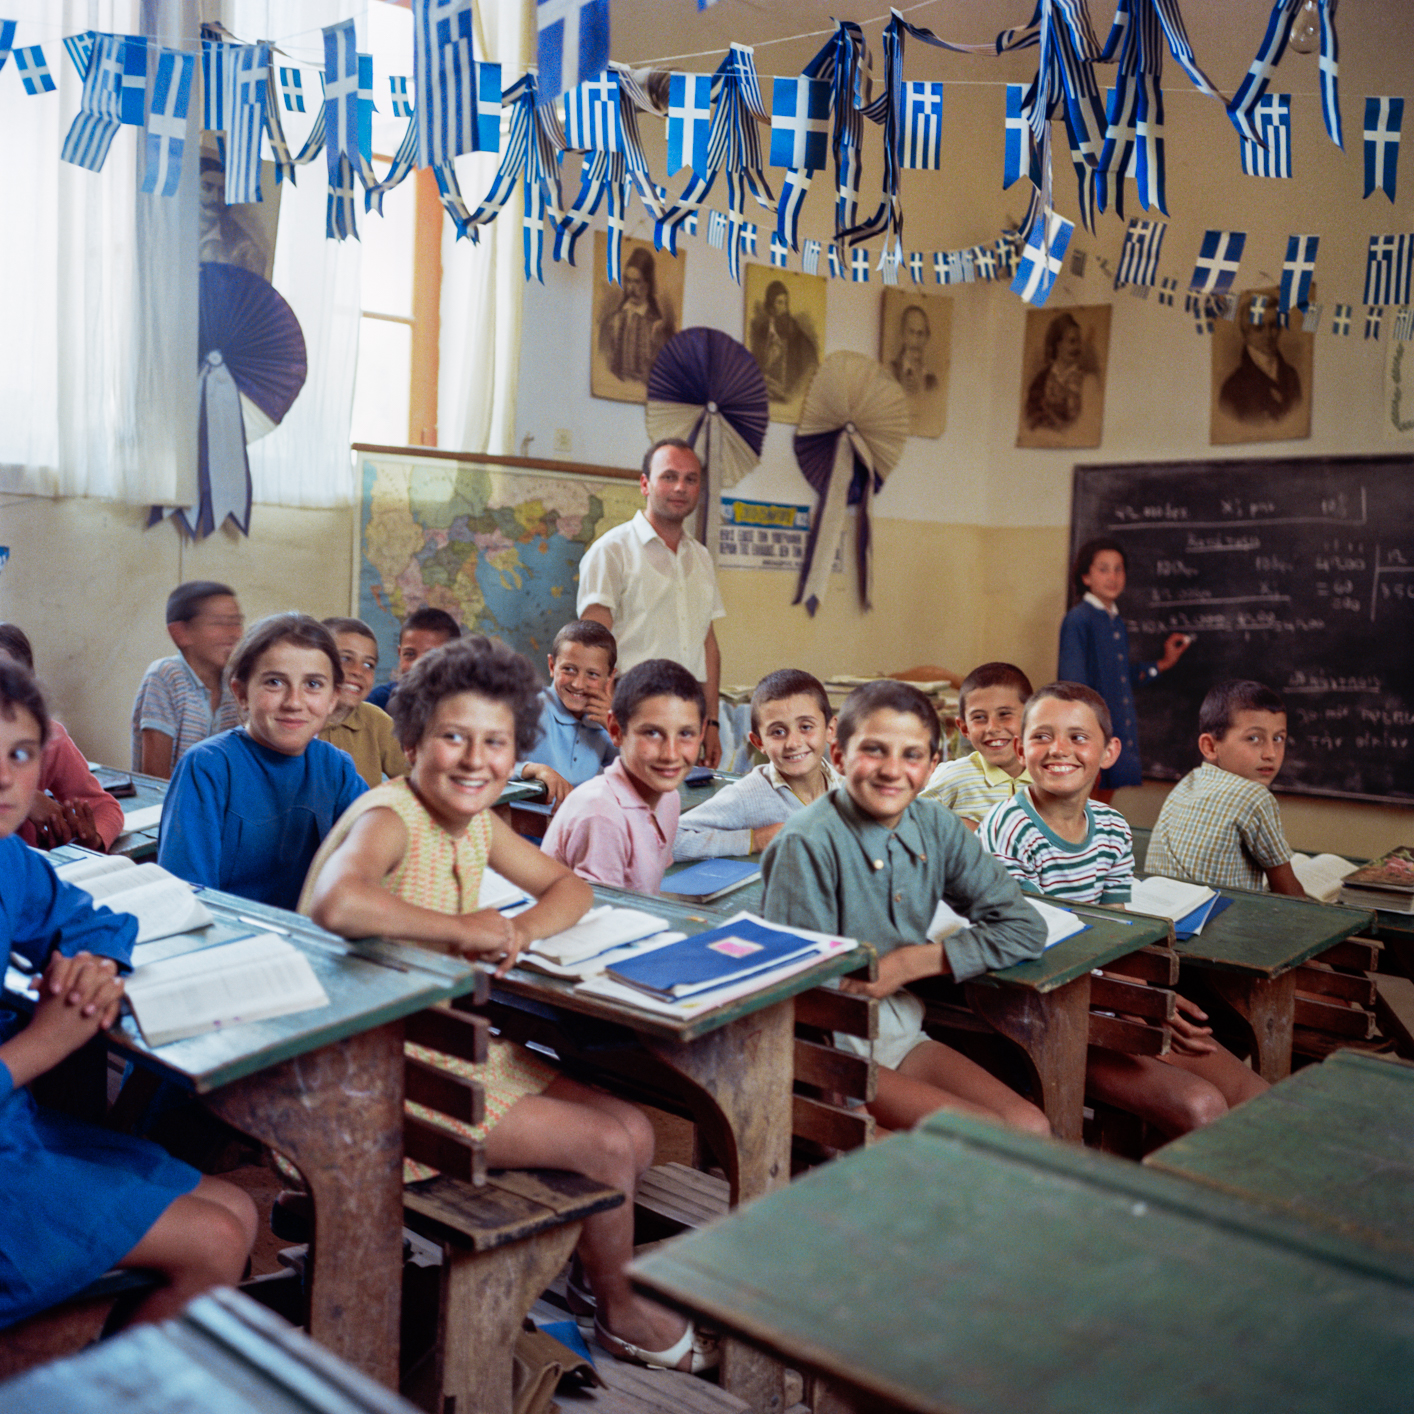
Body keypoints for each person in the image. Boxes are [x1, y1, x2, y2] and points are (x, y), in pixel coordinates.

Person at [299, 637, 714, 1373]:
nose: (473, 760)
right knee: (609, 1145)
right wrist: (463, 930)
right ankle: (621, 1315)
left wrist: (518, 929)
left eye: (495, 743)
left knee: (636, 1130)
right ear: (413, 739)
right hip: (378, 1079)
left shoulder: (476, 824)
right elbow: (336, 899)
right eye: (452, 737)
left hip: (448, 1050)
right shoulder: (390, 816)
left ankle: (591, 1278)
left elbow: (571, 888)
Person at [0, 654, 256, 1331]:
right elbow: (46, 1038)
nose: (5, 777)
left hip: (13, 1128)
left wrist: (93, 963)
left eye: (21, 753)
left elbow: (95, 919)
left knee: (238, 1208)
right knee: (219, 1239)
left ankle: (101, 1366)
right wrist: (46, 1040)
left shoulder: (8, 859)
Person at [978, 682, 1268, 1136]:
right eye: (1041, 736)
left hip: (1109, 1001)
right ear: (1020, 749)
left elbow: (1119, 934)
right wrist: (1134, 1003)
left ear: (1108, 752)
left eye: (1078, 737)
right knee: (1202, 1105)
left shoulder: (1111, 826)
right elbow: (1035, 954)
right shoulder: (1008, 828)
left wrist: (1147, 1002)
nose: (1059, 750)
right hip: (1041, 1020)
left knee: (1255, 1097)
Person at [761, 680, 1051, 1135]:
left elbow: (1024, 928)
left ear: (933, 764)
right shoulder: (807, 843)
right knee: (988, 1139)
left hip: (898, 1031)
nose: (892, 771)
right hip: (825, 1052)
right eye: (873, 750)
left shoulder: (935, 824)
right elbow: (794, 999)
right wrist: (847, 1117)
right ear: (837, 756)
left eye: (912, 755)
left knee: (1030, 1127)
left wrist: (912, 962)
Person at [158, 613, 365, 910]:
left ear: (333, 698)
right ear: (241, 693)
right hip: (226, 939)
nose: (294, 702)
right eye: (275, 682)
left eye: (313, 685)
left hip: (313, 938)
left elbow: (375, 864)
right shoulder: (208, 767)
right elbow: (186, 893)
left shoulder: (337, 770)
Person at [577, 439, 725, 767]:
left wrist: (711, 723)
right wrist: (612, 716)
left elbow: (708, 645)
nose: (680, 488)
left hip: (684, 723)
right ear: (645, 484)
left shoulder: (700, 557)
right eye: (669, 477)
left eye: (690, 479)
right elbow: (590, 647)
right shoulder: (611, 551)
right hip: (625, 721)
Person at [542, 659, 703, 894]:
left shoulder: (669, 797)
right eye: (653, 733)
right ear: (616, 731)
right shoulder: (601, 813)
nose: (671, 754)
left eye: (686, 733)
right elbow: (602, 918)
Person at [1057, 538, 1190, 802]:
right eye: (1103, 569)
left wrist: (1162, 664)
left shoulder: (1115, 621)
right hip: (1093, 733)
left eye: (1118, 569)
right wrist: (1085, 737)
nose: (1113, 577)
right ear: (1086, 576)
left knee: (1102, 805)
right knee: (1084, 806)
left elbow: (1119, 679)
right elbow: (1073, 687)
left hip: (1114, 730)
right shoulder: (1079, 619)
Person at [1145, 680, 1304, 896]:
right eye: (1254, 738)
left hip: (1163, 916)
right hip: (1218, 925)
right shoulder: (1254, 797)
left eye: (1278, 738)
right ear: (1210, 746)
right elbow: (1289, 893)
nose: (1271, 753)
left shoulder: (1188, 782)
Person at [673, 668, 839, 861]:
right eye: (777, 732)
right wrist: (753, 839)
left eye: (806, 727)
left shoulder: (847, 786)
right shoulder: (748, 795)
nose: (793, 743)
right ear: (759, 742)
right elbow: (669, 842)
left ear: (830, 730)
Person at [0, 624, 123, 852]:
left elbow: (105, 808)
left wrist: (91, 840)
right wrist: (30, 799)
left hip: (31, 870)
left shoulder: (48, 737)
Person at [130, 581, 245, 779]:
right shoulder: (166, 676)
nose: (234, 633)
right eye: (219, 623)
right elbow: (154, 775)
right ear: (181, 633)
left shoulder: (234, 682)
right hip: (169, 802)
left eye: (236, 622)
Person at [513, 619, 618, 812]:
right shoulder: (528, 709)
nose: (578, 684)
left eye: (592, 674)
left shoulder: (604, 719)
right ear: (552, 666)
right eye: (569, 669)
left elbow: (636, 771)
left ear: (609, 678)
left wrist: (616, 728)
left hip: (577, 826)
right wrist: (536, 769)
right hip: (523, 829)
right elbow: (488, 762)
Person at [921, 662, 1034, 830]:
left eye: (1004, 714)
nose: (992, 728)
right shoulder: (953, 777)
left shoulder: (1048, 778)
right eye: (979, 717)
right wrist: (958, 830)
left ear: (1031, 718)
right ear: (965, 728)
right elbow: (910, 822)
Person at [317, 617, 409, 788]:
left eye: (368, 664)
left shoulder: (377, 721)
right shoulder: (299, 719)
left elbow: (418, 779)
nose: (358, 671)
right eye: (345, 659)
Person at [1219, 291, 1302, 425]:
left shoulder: (1292, 376)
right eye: (1259, 328)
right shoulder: (1232, 388)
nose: (1268, 335)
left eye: (1274, 325)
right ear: (1246, 333)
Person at [598, 247, 671, 386]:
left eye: (637, 282)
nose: (631, 288)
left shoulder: (656, 326)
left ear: (648, 284)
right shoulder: (613, 320)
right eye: (628, 281)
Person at [367, 607, 461, 712]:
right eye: (410, 654)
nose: (417, 665)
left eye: (431, 656)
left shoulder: (469, 705)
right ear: (400, 654)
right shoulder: (378, 703)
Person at [1025, 312, 1098, 432]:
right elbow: (1030, 420)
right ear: (1058, 345)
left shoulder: (1088, 379)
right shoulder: (1040, 379)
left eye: (1079, 342)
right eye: (1072, 342)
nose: (1077, 347)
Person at [748, 280, 819, 404]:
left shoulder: (794, 330)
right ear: (770, 304)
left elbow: (811, 361)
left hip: (785, 393)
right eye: (779, 302)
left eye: (785, 303)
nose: (784, 307)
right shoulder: (762, 330)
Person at [199, 154, 265, 276]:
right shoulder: (166, 229)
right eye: (206, 187)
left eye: (222, 192)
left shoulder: (246, 251)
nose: (215, 198)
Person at [889, 304, 938, 399]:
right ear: (903, 334)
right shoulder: (891, 371)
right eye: (911, 332)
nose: (915, 339)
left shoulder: (931, 380)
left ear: (926, 337)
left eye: (920, 333)